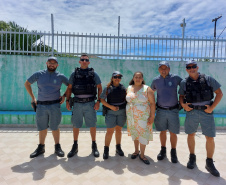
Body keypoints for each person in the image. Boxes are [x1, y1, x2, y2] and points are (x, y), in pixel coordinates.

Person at [179, 60, 223, 177]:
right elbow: (181, 96)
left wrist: (212, 107)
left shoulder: (208, 79)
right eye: (189, 67)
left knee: (209, 137)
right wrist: (183, 105)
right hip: (192, 112)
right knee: (191, 134)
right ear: (186, 69)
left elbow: (219, 93)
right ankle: (192, 157)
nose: (191, 68)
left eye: (193, 66)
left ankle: (209, 162)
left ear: (197, 67)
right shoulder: (184, 82)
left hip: (206, 112)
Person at [24, 56, 69, 158]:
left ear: (57, 65)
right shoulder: (39, 74)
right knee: (42, 127)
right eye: (50, 62)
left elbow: (70, 85)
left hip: (55, 105)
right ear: (46, 63)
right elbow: (27, 83)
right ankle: (41, 147)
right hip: (41, 106)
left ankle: (57, 147)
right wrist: (33, 98)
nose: (52, 65)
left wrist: (65, 96)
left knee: (55, 127)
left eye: (54, 63)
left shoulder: (60, 76)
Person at [66, 54, 102, 158]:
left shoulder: (94, 74)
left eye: (86, 60)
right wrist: (67, 101)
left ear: (89, 62)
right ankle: (75, 145)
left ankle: (94, 145)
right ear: (79, 61)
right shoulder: (74, 74)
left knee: (92, 124)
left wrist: (98, 101)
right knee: (76, 125)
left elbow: (100, 88)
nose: (84, 61)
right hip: (77, 103)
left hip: (90, 103)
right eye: (82, 59)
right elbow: (69, 88)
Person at [151, 61, 182, 163]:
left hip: (173, 110)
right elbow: (151, 92)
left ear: (169, 69)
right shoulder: (156, 80)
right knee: (162, 131)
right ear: (159, 70)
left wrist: (183, 100)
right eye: (161, 68)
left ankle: (173, 152)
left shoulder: (175, 78)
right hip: (160, 110)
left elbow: (185, 86)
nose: (163, 70)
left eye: (165, 68)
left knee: (173, 133)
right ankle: (163, 150)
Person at [126, 71, 155, 165]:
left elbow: (152, 103)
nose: (137, 79)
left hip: (143, 117)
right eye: (136, 77)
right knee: (135, 133)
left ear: (142, 79)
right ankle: (136, 151)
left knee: (143, 134)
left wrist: (152, 116)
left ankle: (142, 155)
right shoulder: (129, 88)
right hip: (131, 116)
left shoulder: (147, 89)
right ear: (133, 78)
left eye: (139, 77)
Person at [100, 71, 126, 159]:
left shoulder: (123, 88)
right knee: (110, 131)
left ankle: (118, 148)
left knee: (119, 130)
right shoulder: (107, 88)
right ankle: (106, 149)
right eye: (115, 77)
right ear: (112, 78)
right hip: (111, 112)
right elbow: (102, 100)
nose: (117, 79)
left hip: (121, 112)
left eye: (119, 77)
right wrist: (111, 107)